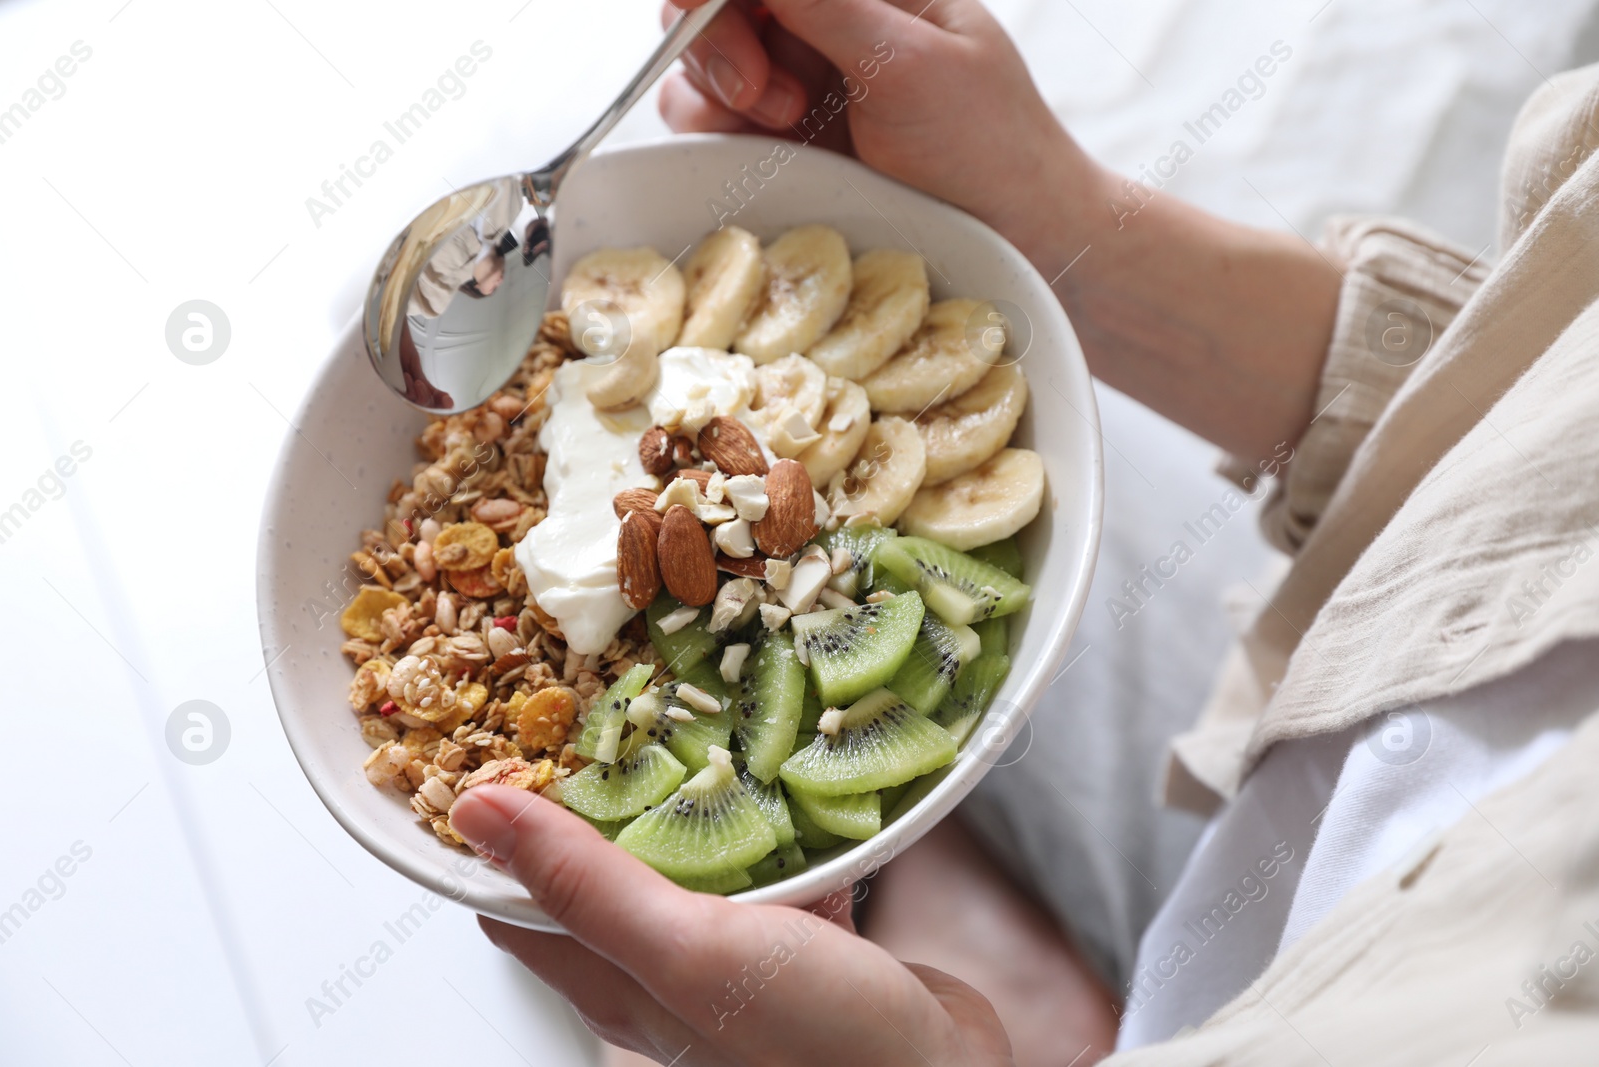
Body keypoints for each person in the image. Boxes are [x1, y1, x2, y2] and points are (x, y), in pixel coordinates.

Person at [449, 1, 1599, 1062]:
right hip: (1379, 667)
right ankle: (997, 937)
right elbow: (1540, 400)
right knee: (554, 162)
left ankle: (1009, 971)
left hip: (1260, 955)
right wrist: (1059, 219)